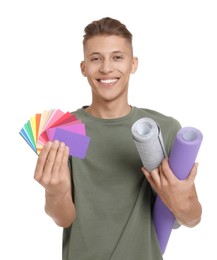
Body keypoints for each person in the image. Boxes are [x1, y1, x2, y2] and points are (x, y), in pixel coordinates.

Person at [34, 17, 202, 260]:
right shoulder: (65, 129)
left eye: (117, 57)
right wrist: (54, 191)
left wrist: (180, 202)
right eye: (95, 58)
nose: (106, 68)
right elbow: (64, 218)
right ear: (83, 68)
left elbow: (193, 218)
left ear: (133, 64)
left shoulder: (162, 128)